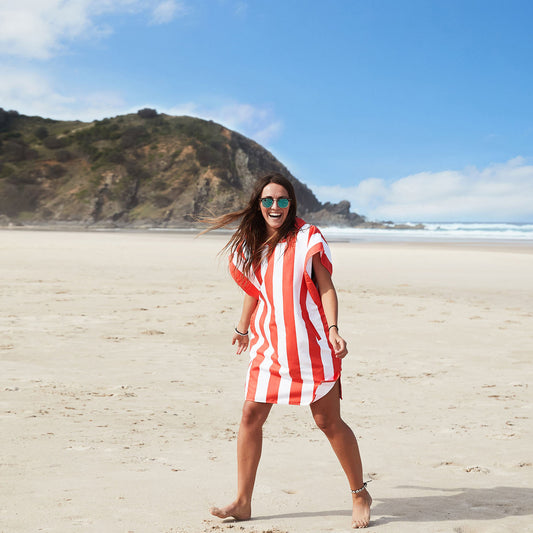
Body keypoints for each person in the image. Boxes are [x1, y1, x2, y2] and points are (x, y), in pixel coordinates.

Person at [205, 172, 372, 529]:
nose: (275, 206)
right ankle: (243, 501)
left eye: (282, 200)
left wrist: (334, 329)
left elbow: (327, 288)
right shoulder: (254, 243)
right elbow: (254, 287)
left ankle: (359, 493)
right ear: (259, 204)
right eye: (268, 200)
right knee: (251, 415)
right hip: (269, 346)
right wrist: (243, 327)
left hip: (310, 345)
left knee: (327, 421)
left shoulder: (307, 237)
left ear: (291, 204)